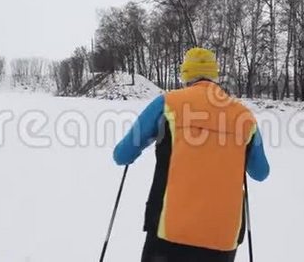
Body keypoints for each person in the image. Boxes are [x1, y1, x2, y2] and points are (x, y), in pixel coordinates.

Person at [113, 47, 270, 262]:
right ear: (215, 74)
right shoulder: (244, 116)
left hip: (169, 232)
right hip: (223, 238)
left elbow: (122, 155)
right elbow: (261, 172)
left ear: (185, 74)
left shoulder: (168, 104)